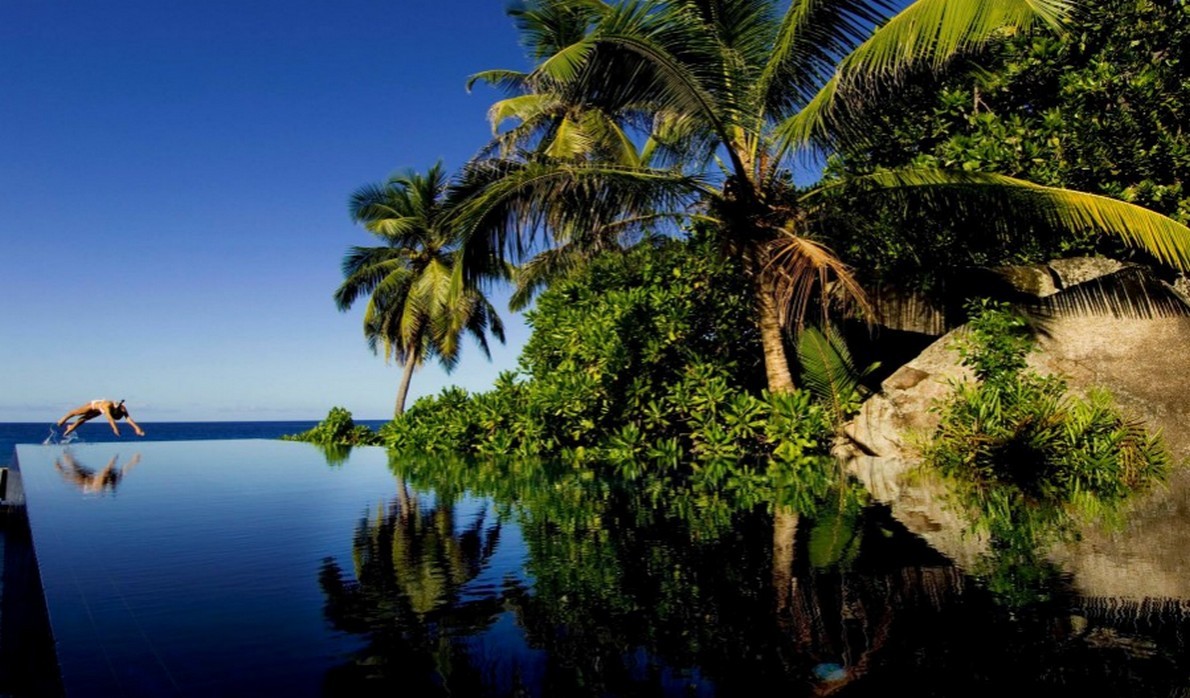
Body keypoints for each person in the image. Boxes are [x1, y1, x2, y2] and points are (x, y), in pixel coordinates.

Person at [56, 399, 145, 437]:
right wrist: (115, 429)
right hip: (93, 405)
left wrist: (137, 428)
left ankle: (71, 428)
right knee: (77, 412)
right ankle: (63, 419)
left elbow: (128, 418)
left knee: (84, 419)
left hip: (99, 410)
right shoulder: (107, 406)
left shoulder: (123, 408)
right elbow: (110, 419)